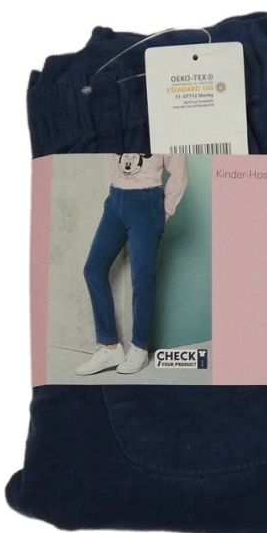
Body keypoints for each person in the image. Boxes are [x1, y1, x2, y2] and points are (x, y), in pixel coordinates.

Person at [75, 153, 188, 375]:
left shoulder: (164, 133)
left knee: (142, 278)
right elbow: (109, 160)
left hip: (147, 200)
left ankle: (139, 348)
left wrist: (166, 210)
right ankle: (110, 347)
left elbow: (179, 170)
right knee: (94, 270)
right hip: (116, 200)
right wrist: (113, 192)